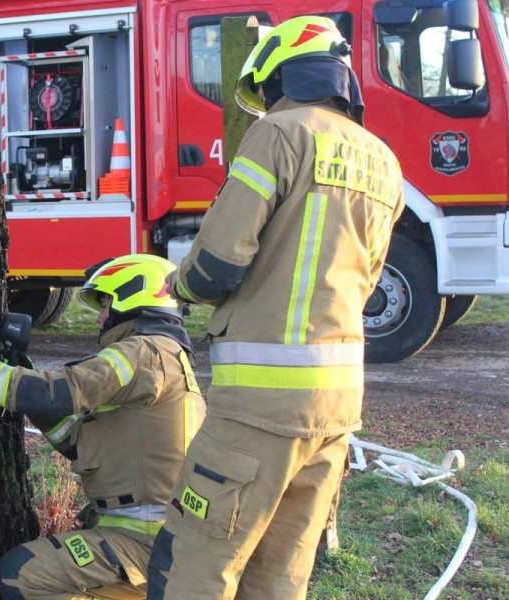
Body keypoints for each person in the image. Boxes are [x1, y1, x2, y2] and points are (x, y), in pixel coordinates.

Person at [146, 16, 405, 599]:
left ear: (282, 74)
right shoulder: (383, 161)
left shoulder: (279, 133)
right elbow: (366, 278)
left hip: (259, 408)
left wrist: (178, 286)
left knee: (194, 559)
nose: (267, 102)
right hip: (337, 410)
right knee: (281, 574)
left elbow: (216, 263)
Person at [0, 254, 206, 599]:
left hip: (143, 541)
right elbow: (76, 443)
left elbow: (57, 393)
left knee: (21, 574)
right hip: (159, 541)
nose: (99, 317)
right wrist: (31, 388)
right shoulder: (164, 357)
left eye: (105, 303)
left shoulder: (142, 353)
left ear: (132, 297)